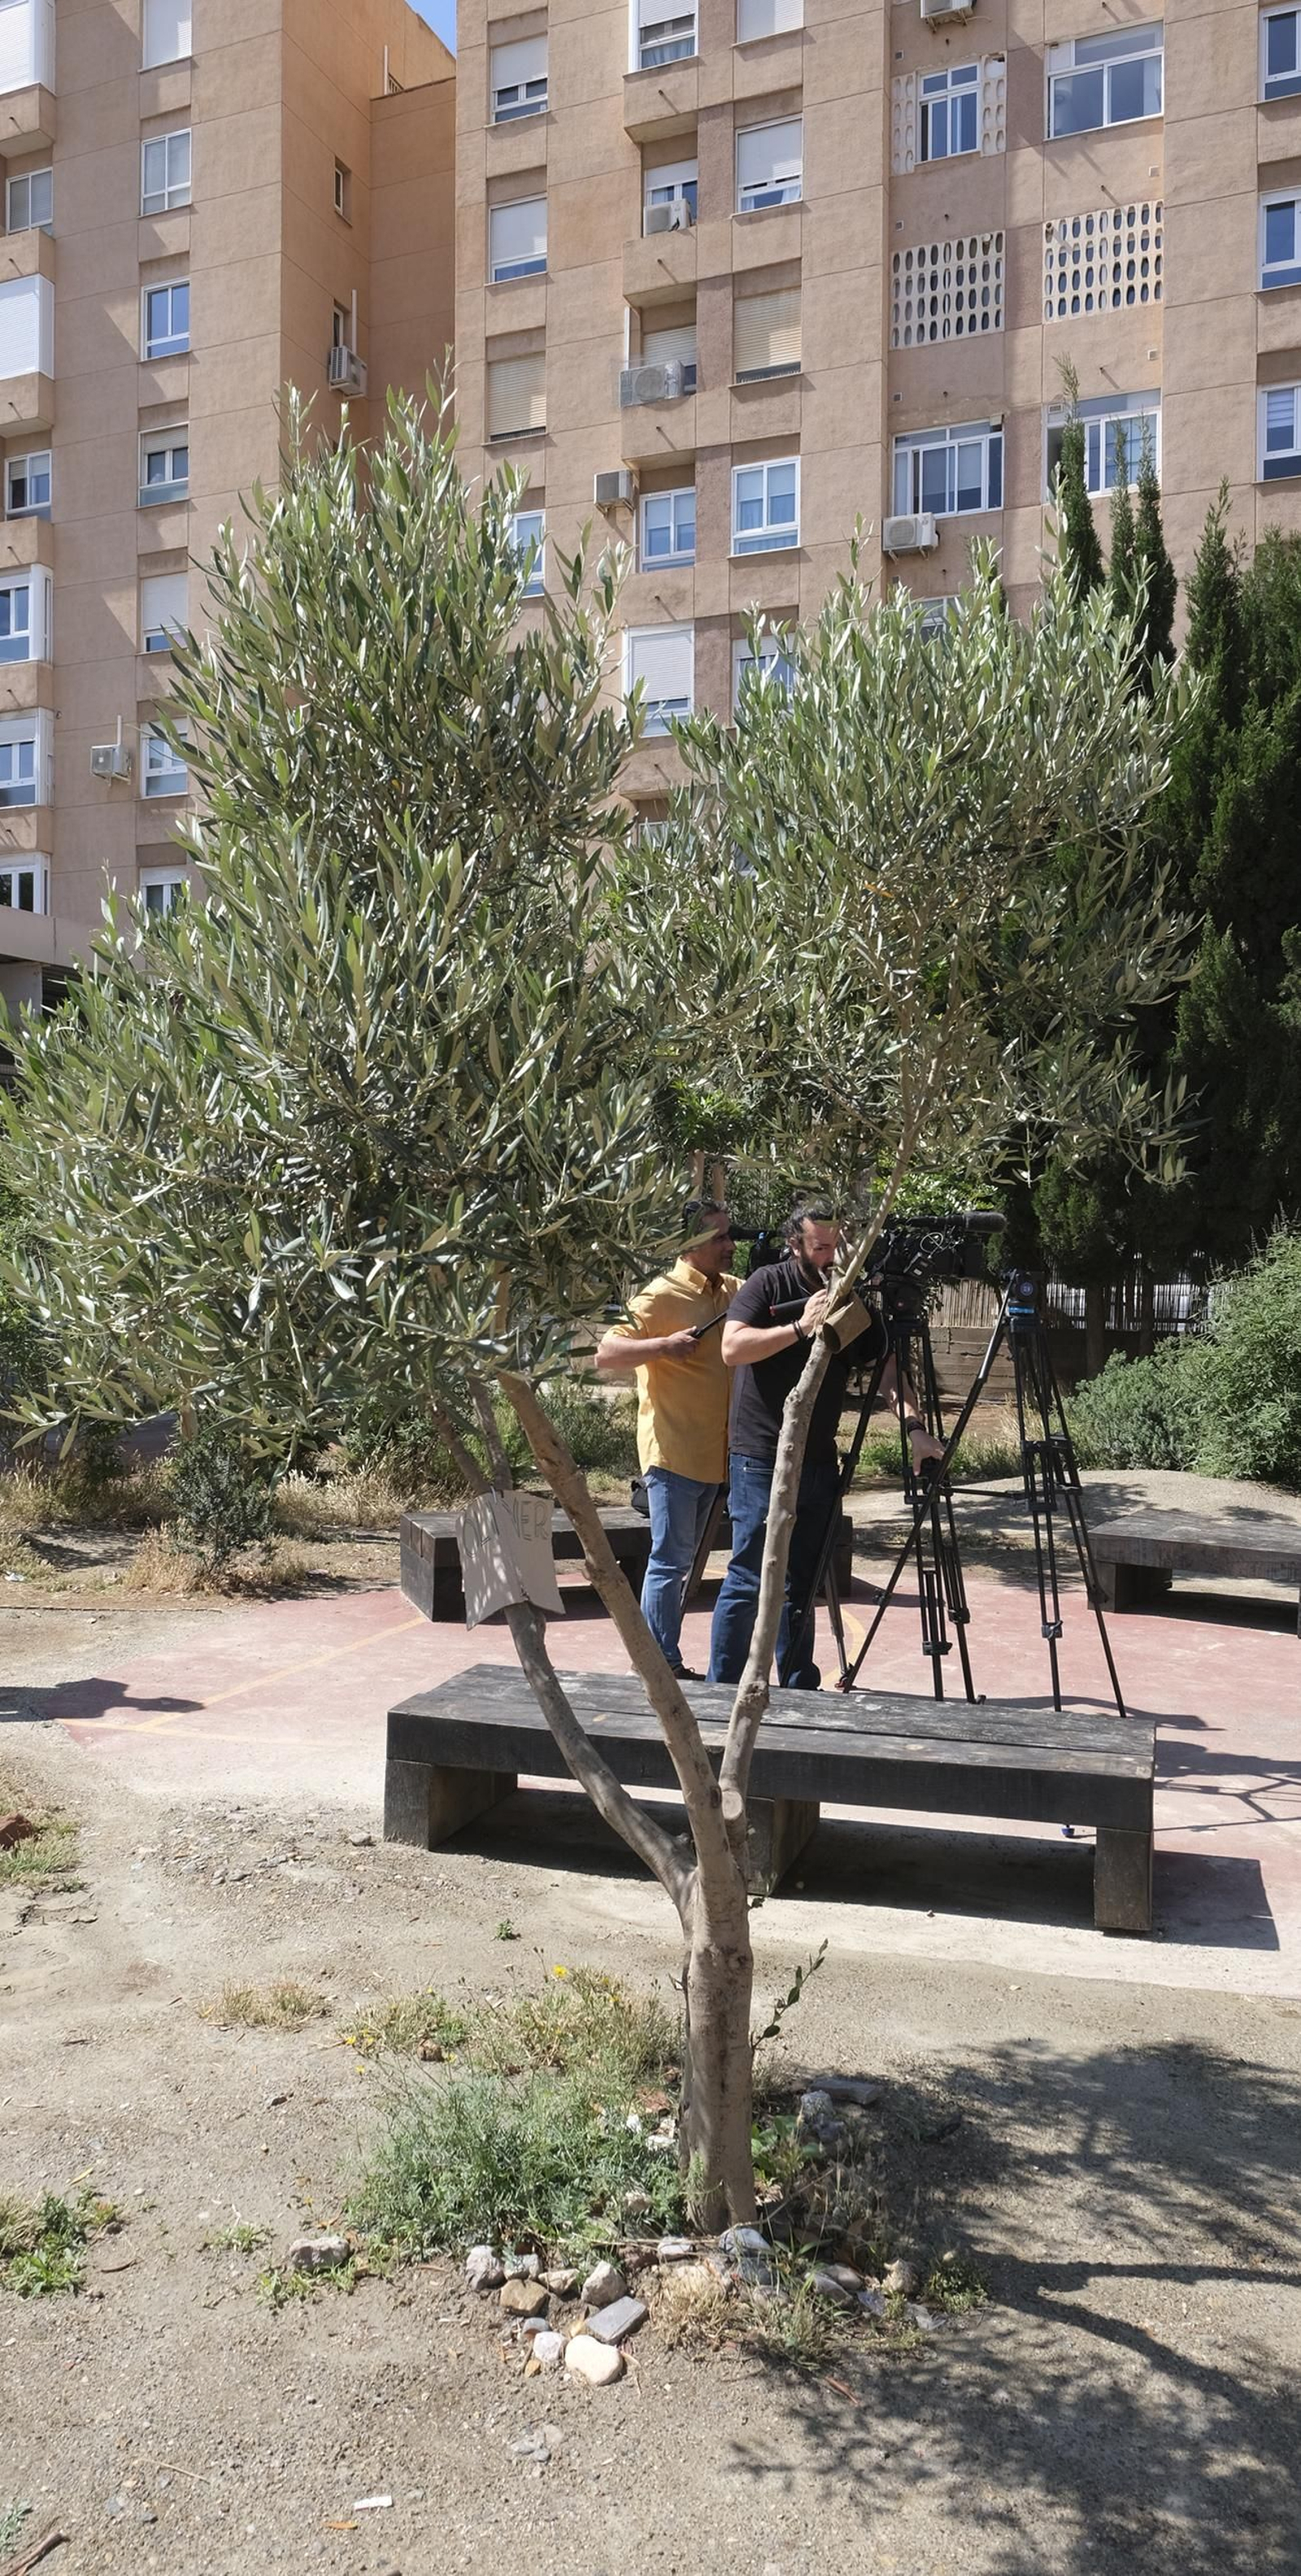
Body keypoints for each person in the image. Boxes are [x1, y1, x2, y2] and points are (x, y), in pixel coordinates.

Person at [708, 1205, 943, 1691]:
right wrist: (800, 1328)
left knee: (803, 1583)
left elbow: (888, 1371)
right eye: (820, 1247)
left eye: (839, 1247)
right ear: (795, 1243)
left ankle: (797, 1686)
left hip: (817, 1462)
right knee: (749, 1578)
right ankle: (720, 1690)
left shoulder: (849, 1295)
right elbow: (732, 1348)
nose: (831, 1256)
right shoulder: (766, 1283)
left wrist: (916, 1428)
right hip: (760, 1457)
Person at [594, 1202, 738, 1677]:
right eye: (718, 1237)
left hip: (716, 1455)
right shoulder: (659, 1296)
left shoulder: (733, 1292)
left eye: (728, 1235)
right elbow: (607, 1352)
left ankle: (662, 1657)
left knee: (686, 1563)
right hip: (672, 1452)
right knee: (670, 1560)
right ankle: (657, 1662)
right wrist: (663, 1346)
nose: (729, 1245)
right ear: (689, 1245)